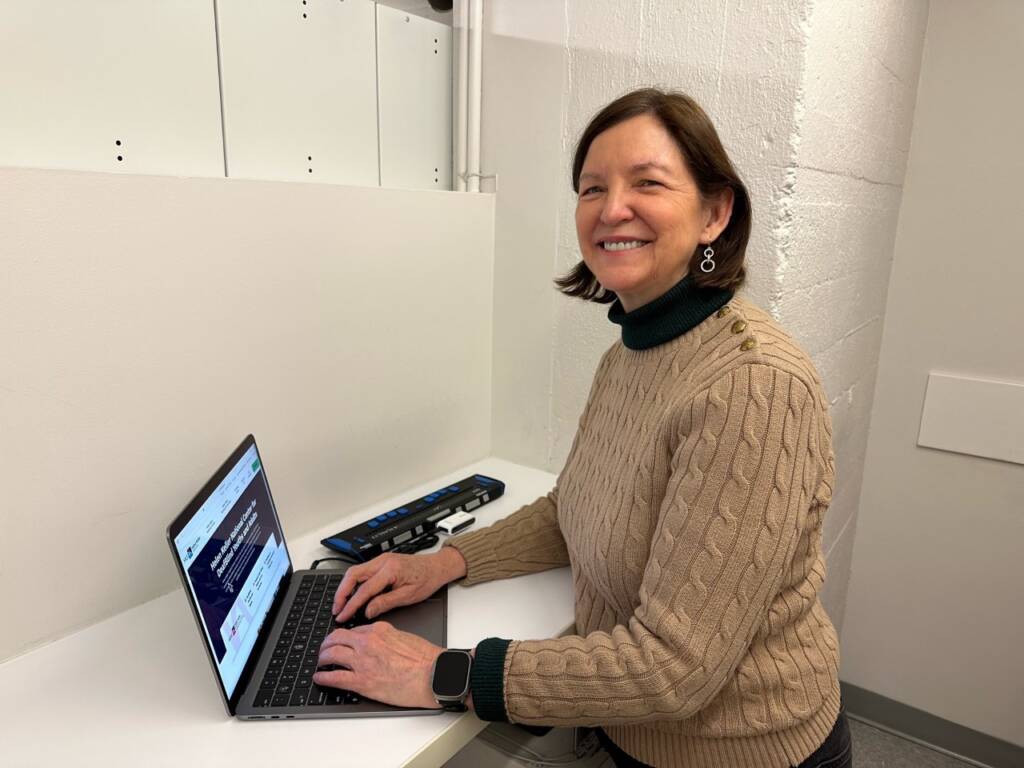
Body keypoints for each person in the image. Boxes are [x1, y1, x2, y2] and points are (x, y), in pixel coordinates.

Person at [314, 88, 852, 768]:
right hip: (631, 735)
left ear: (716, 213)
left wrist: (443, 673)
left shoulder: (754, 386)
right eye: (592, 187)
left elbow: (672, 667)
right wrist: (443, 565)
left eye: (647, 183)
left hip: (742, 752)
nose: (611, 208)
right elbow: (572, 508)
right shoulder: (629, 354)